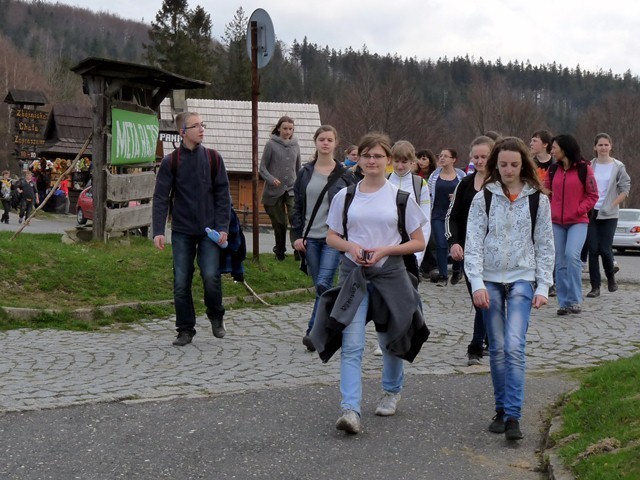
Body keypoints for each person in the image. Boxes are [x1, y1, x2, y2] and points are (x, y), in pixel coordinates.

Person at [310, 132, 429, 435]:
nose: (372, 161)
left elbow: (418, 241)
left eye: (378, 156)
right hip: (355, 275)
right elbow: (332, 236)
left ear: (388, 160)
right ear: (358, 159)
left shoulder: (400, 198)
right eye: (366, 155)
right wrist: (351, 247)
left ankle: (391, 390)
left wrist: (386, 250)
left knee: (390, 338)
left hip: (390, 274)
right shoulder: (346, 196)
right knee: (352, 344)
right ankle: (350, 410)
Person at [465, 136, 554, 441]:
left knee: (515, 345)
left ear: (523, 164)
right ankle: (501, 409)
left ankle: (514, 415)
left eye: (514, 164)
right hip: (489, 278)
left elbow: (545, 244)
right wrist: (476, 282)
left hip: (522, 278)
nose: (508, 169)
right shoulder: (483, 197)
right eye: (503, 164)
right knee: (498, 347)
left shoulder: (537, 199)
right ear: (495, 164)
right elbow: (473, 242)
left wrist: (543, 285)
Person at [152, 111, 231, 347]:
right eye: (195, 126)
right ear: (182, 132)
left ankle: (216, 315)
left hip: (210, 232)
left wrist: (222, 227)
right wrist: (158, 230)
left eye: (202, 125)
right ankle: (185, 329)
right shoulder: (171, 161)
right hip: (182, 230)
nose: (201, 129)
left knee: (210, 276)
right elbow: (160, 198)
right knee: (181, 281)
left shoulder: (214, 158)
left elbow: (223, 195)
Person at [292, 125, 355, 351]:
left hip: (332, 238)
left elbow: (353, 206)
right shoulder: (305, 172)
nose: (325, 143)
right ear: (315, 142)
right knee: (320, 286)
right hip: (310, 238)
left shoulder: (345, 175)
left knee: (324, 285)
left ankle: (313, 332)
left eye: (329, 139)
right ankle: (328, 328)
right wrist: (297, 236)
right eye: (321, 139)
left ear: (335, 143)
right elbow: (297, 205)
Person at [446, 135, 494, 366]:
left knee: (489, 299)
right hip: (470, 252)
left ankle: (477, 346)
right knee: (480, 299)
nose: (480, 160)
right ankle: (486, 341)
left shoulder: (501, 184)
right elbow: (452, 217)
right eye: (476, 157)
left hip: (496, 252)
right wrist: (454, 242)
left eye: (485, 156)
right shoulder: (465, 184)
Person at [545, 134, 598, 316]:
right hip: (556, 222)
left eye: (554, 148)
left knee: (572, 256)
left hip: (578, 221)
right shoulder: (553, 170)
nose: (551, 151)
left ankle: (575, 300)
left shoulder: (585, 169)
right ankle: (564, 302)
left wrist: (579, 209)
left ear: (565, 148)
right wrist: (551, 208)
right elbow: (547, 193)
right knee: (559, 262)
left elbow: (593, 195)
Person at [585, 133, 631, 298]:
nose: (603, 148)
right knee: (593, 250)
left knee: (605, 249)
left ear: (611, 146)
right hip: (591, 212)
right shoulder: (589, 166)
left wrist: (611, 205)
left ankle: (611, 277)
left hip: (609, 213)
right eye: (600, 145)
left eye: (606, 145)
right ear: (595, 147)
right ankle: (595, 287)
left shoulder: (618, 166)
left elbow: (625, 189)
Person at [259, 115, 301, 261]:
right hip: (273, 190)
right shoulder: (271, 144)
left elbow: (298, 167)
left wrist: (299, 185)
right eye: (285, 128)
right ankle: (279, 252)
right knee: (280, 222)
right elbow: (262, 168)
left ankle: (298, 251)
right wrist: (271, 179)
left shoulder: (295, 145)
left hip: (291, 188)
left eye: (290, 129)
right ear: (278, 128)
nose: (287, 131)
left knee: (295, 219)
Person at [427, 148, 466, 286]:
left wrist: (457, 197)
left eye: (445, 156)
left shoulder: (461, 175)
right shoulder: (434, 176)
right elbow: (429, 194)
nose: (442, 158)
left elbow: (465, 194)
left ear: (453, 160)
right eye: (440, 155)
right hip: (437, 214)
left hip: (455, 216)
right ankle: (443, 275)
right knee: (441, 244)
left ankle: (456, 269)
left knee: (456, 244)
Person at [530, 129, 557, 297]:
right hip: (532, 206)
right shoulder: (529, 164)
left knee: (548, 245)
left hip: (552, 209)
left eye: (535, 140)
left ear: (545, 144)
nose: (531, 143)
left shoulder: (555, 165)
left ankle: (550, 281)